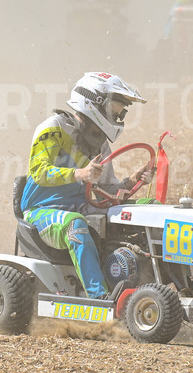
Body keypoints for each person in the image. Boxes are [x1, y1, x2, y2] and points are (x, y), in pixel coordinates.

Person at [20, 72, 152, 300]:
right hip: (42, 211)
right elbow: (39, 172)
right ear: (93, 103)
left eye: (121, 113)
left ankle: (155, 284)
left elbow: (108, 191)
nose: (118, 117)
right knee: (75, 225)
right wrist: (80, 174)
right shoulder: (53, 128)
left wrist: (132, 180)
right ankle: (99, 297)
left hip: (82, 206)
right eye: (115, 111)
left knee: (148, 208)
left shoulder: (99, 143)